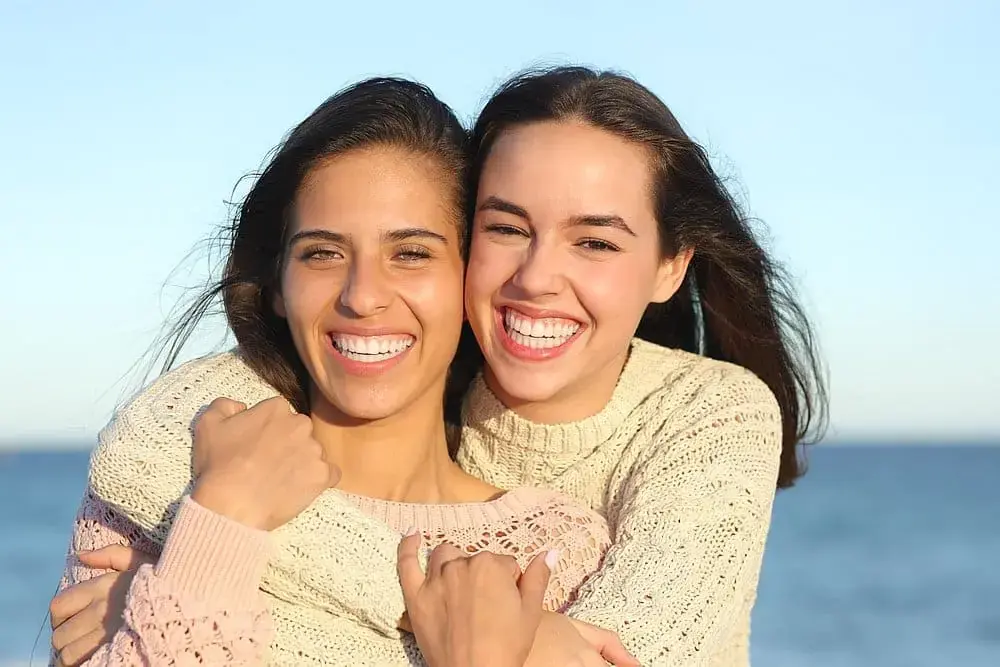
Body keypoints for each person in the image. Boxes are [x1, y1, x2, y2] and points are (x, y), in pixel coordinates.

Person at [52, 66, 827, 667]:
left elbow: (624, 655)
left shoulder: (589, 519)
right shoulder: (209, 453)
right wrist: (221, 520)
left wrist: (191, 575)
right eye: (507, 229)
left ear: (671, 265)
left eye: (594, 240)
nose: (535, 278)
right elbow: (142, 446)